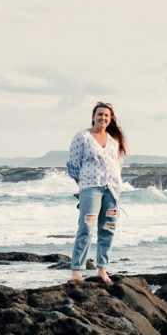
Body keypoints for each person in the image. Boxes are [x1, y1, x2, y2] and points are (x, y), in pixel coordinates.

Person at [64, 101, 127, 283]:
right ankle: (76, 271)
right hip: (90, 188)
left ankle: (102, 269)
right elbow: (73, 165)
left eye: (106, 115)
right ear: (93, 117)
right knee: (86, 228)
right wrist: (82, 184)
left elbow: (117, 165)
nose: (103, 118)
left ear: (110, 119)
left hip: (112, 190)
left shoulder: (114, 141)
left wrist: (116, 186)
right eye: (100, 114)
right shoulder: (82, 137)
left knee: (108, 228)